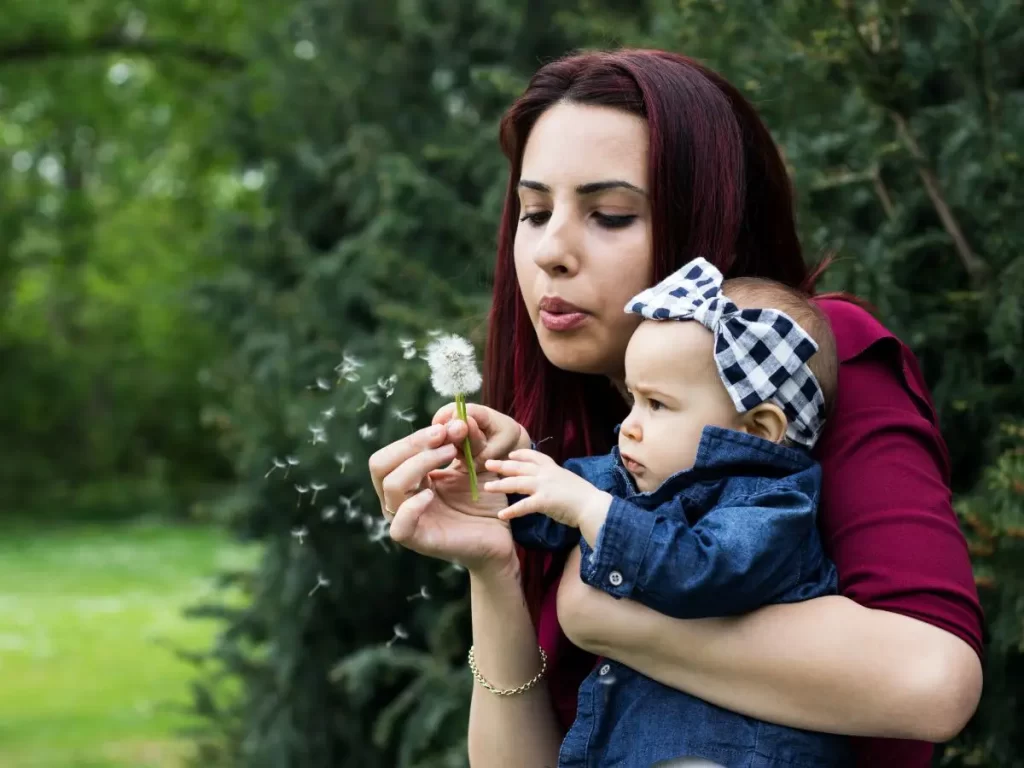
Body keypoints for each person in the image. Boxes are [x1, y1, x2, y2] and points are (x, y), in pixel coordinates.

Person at [368, 49, 983, 768]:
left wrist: (595, 607)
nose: (550, 252)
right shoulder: (576, 439)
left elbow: (931, 681)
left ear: (707, 218)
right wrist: (494, 569)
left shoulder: (802, 363)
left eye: (610, 214)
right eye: (534, 212)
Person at [477, 258, 852, 766]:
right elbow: (558, 503)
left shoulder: (773, 503)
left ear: (759, 429)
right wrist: (501, 474)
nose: (628, 426)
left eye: (657, 405)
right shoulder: (637, 473)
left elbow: (703, 569)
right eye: (632, 400)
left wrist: (593, 509)